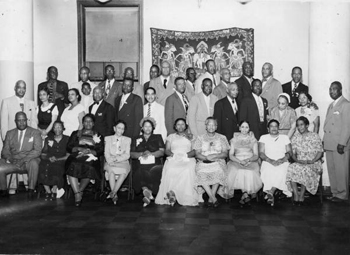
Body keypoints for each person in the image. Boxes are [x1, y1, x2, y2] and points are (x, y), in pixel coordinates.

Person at [1, 80, 38, 193]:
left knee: (29, 160)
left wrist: (34, 140)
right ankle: (11, 186)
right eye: (19, 87)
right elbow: (3, 124)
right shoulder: (6, 101)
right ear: (15, 88)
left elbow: (34, 123)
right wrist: (6, 141)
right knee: (12, 162)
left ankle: (29, 185)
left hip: (28, 140)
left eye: (24, 88)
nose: (21, 90)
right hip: (13, 140)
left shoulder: (31, 103)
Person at [155, 118, 198, 206]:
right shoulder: (171, 136)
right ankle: (172, 193)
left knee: (188, 170)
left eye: (182, 124)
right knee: (171, 169)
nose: (180, 126)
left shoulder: (191, 137)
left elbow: (194, 151)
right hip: (174, 157)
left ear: (185, 126)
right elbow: (167, 150)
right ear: (175, 126)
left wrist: (185, 155)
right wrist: (174, 155)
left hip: (187, 157)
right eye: (178, 124)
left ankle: (184, 195)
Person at [218, 121, 262, 204]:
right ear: (239, 128)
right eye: (242, 127)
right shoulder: (234, 140)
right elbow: (231, 155)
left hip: (250, 160)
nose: (244, 129)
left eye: (246, 127)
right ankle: (245, 193)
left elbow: (256, 155)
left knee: (251, 171)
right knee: (237, 170)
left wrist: (248, 160)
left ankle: (246, 194)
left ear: (249, 128)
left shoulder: (253, 140)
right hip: (236, 160)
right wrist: (240, 161)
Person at [65, 114, 104, 206]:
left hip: (91, 157)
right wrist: (79, 149)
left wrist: (90, 151)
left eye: (90, 121)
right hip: (76, 156)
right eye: (86, 121)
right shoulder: (76, 133)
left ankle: (78, 192)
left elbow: (100, 150)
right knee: (72, 164)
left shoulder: (98, 135)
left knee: (90, 166)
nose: (88, 123)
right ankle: (78, 193)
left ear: (93, 123)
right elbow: (69, 146)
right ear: (82, 123)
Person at [0, 112, 42, 198]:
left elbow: (37, 150)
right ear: (15, 121)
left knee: (34, 162)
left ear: (27, 120)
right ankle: (3, 191)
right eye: (19, 120)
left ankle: (31, 190)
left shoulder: (35, 132)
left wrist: (22, 160)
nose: (22, 123)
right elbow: (5, 150)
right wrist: (11, 159)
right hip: (14, 162)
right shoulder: (10, 133)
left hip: (28, 162)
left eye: (24, 120)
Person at [286, 117, 323, 205]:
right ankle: (296, 194)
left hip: (313, 162)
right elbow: (292, 153)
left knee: (305, 170)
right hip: (300, 161)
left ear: (307, 125)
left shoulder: (314, 136)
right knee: (291, 168)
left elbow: (320, 152)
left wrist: (312, 160)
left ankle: (302, 195)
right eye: (298, 125)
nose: (300, 127)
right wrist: (297, 160)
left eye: (302, 125)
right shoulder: (295, 137)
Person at [193, 117, 229, 207]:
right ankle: (213, 197)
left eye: (213, 125)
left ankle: (211, 197)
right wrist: (206, 158)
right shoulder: (200, 138)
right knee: (200, 172)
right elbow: (197, 154)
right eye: (209, 124)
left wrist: (216, 156)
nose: (211, 127)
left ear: (216, 127)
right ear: (206, 126)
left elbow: (225, 153)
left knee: (219, 171)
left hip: (218, 161)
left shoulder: (222, 137)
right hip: (203, 161)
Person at [323, 81, 350, 202]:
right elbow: (327, 125)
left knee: (341, 170)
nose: (332, 91)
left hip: (339, 144)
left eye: (334, 89)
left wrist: (342, 143)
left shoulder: (345, 104)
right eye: (330, 89)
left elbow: (347, 126)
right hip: (330, 143)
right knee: (332, 169)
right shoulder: (331, 105)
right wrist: (324, 141)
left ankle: (343, 194)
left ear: (340, 90)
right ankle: (335, 192)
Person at [131, 117, 165, 207]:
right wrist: (141, 154)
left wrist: (151, 154)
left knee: (155, 170)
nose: (147, 128)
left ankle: (147, 191)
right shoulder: (136, 138)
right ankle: (147, 190)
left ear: (153, 128)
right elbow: (132, 153)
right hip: (140, 162)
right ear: (142, 128)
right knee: (139, 169)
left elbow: (162, 152)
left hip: (154, 162)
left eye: (150, 126)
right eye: (145, 126)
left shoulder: (158, 137)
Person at [259, 119, 292, 206]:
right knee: (267, 170)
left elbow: (289, 152)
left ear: (278, 128)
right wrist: (270, 161)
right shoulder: (263, 137)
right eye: (271, 126)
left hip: (282, 160)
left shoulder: (285, 137)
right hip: (267, 160)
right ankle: (271, 194)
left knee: (282, 170)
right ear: (268, 128)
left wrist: (283, 160)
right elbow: (261, 153)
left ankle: (271, 192)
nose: (273, 128)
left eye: (275, 126)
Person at [38, 121, 69, 201]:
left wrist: (57, 159)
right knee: (42, 166)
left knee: (57, 167)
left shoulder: (67, 139)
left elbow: (68, 156)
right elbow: (43, 154)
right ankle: (48, 191)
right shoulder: (49, 139)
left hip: (62, 160)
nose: (57, 129)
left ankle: (54, 190)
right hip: (49, 159)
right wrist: (49, 158)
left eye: (59, 127)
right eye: (55, 127)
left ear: (63, 128)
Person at [104, 120, 131, 205]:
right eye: (118, 128)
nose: (120, 130)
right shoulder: (108, 138)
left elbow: (127, 155)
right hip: (110, 161)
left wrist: (116, 159)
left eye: (122, 129)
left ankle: (113, 193)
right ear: (114, 128)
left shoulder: (127, 140)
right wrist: (110, 161)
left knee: (123, 173)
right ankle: (114, 194)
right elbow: (106, 153)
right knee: (111, 171)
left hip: (123, 162)